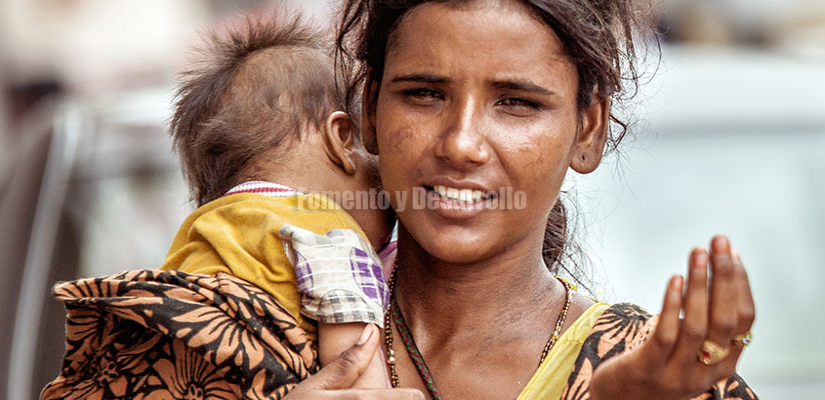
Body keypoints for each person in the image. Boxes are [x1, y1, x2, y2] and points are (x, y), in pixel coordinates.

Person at [42, 1, 758, 399]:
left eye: (516, 103)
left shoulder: (665, 375)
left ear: (587, 130)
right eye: (423, 94)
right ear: (363, 117)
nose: (461, 142)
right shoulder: (233, 327)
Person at [41, 14, 395, 398]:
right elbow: (355, 358)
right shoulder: (327, 231)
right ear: (342, 138)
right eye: (372, 148)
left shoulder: (199, 231)